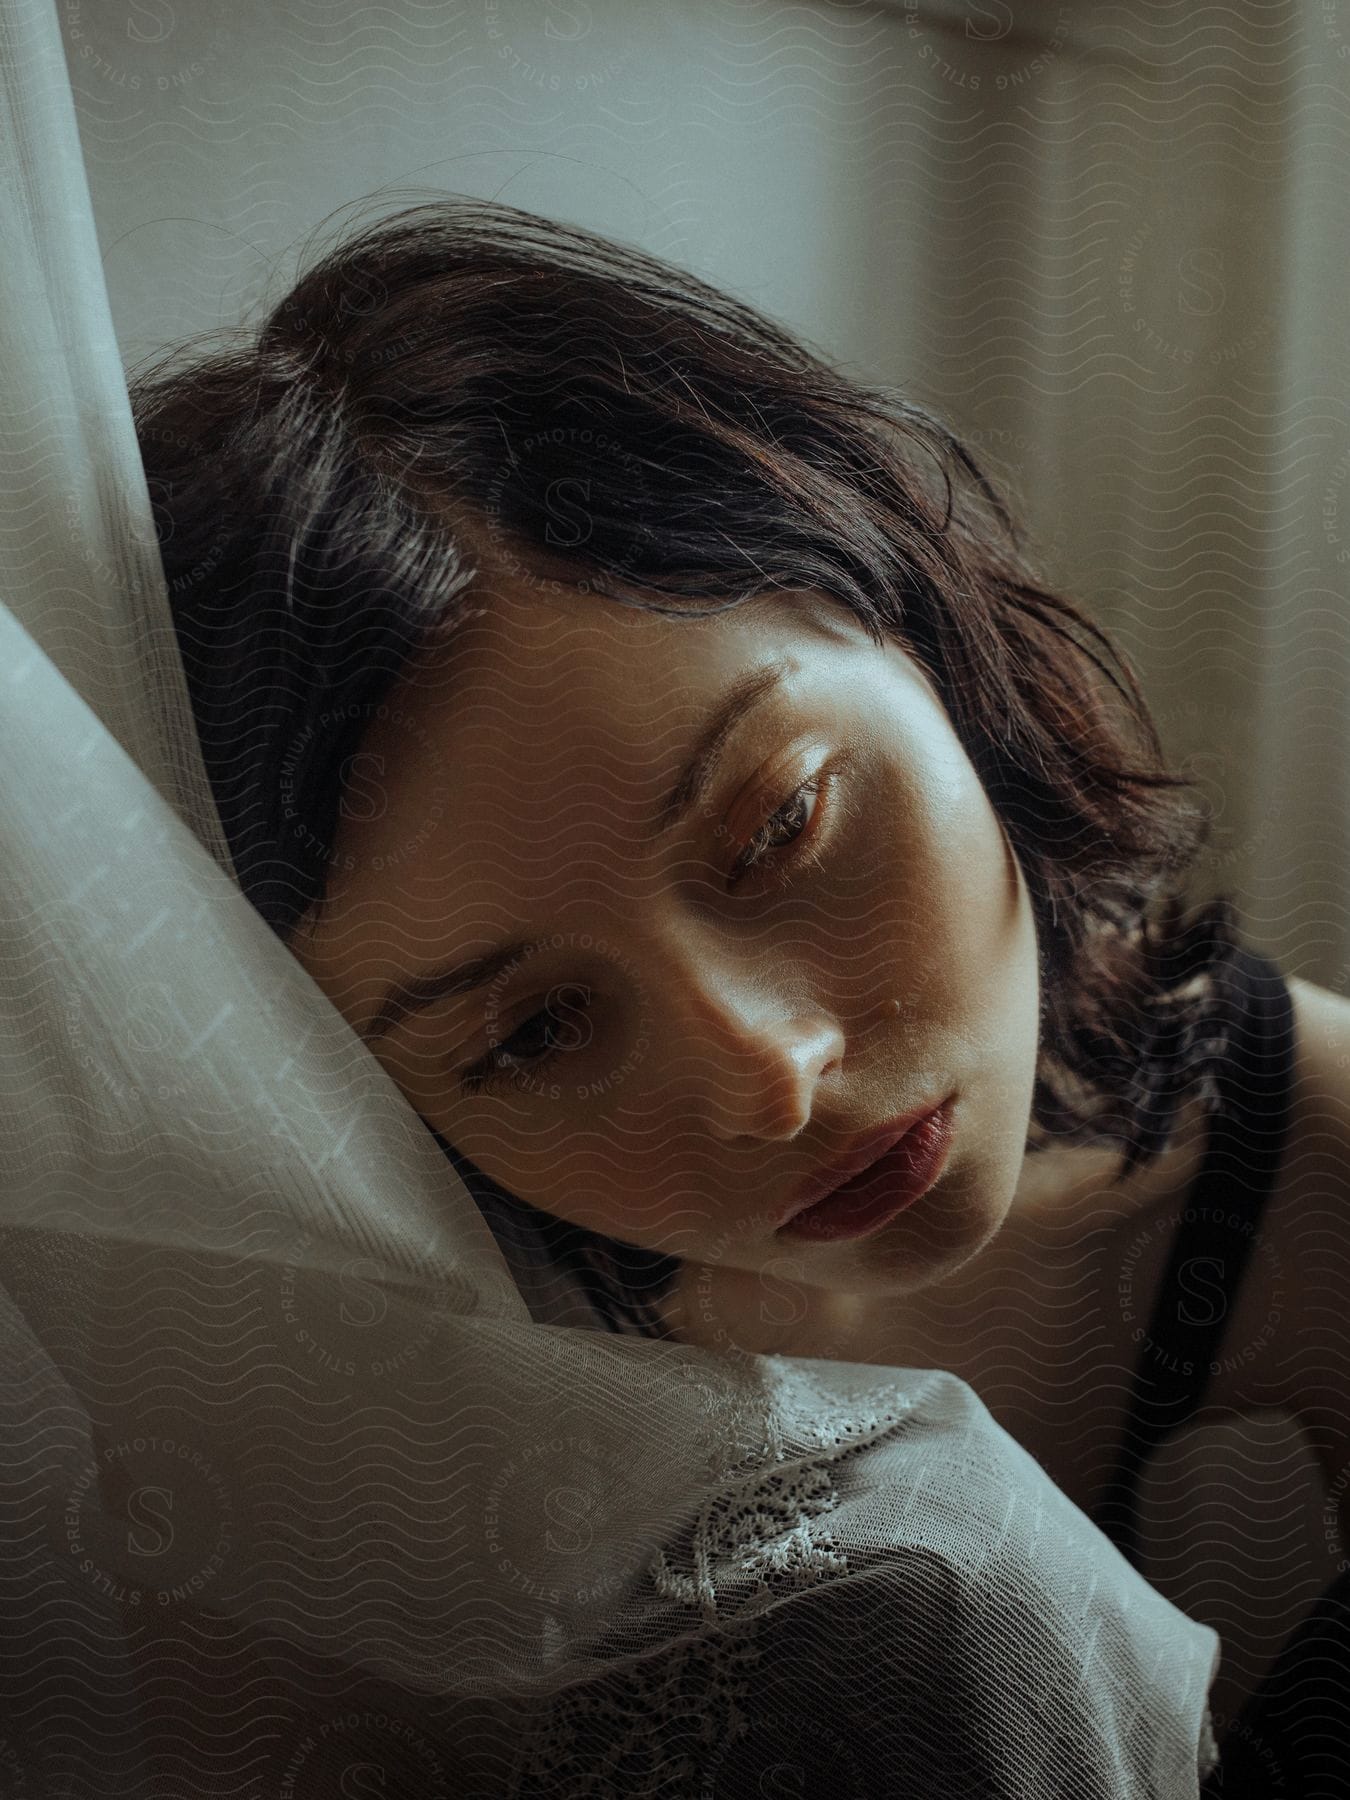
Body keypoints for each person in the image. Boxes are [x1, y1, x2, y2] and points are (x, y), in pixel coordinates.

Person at [128, 194, 1348, 1790]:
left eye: (778, 828)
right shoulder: (306, 1393)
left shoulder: (1296, 1144)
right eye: (535, 1033)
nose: (773, 1072)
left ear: (911, 620)